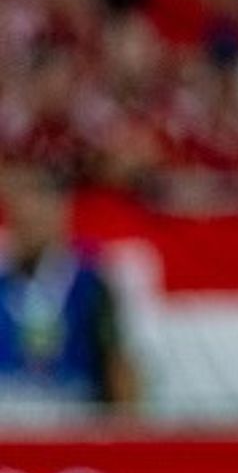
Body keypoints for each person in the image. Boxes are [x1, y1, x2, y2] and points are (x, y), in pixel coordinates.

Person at [0, 167, 138, 419]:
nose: (31, 228)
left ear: (62, 219)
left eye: (39, 220)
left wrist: (127, 428)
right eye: (24, 221)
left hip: (72, 413)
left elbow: (115, 358)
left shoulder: (90, 282)